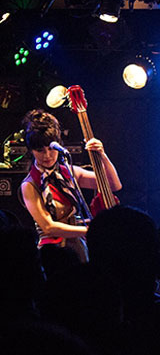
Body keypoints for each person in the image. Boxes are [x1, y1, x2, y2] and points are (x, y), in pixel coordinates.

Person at [19, 109, 122, 262]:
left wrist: (102, 155)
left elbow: (113, 185)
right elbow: (49, 227)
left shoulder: (69, 172)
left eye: (51, 149)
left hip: (78, 246)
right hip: (52, 253)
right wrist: (90, 230)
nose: (47, 155)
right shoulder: (29, 184)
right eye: (40, 151)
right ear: (31, 151)